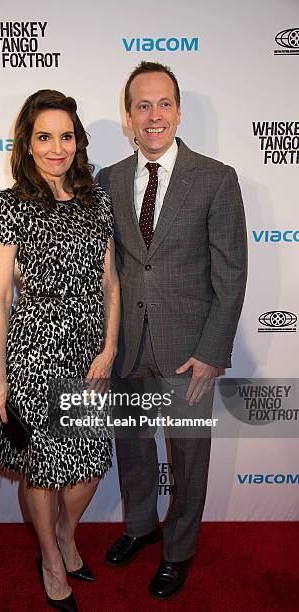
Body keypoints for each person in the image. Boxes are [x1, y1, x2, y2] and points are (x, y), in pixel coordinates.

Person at [96, 61, 247, 599]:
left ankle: (179, 550)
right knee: (133, 447)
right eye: (143, 105)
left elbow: (231, 276)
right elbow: (107, 267)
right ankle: (140, 527)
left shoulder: (216, 178)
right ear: (129, 116)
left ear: (178, 112)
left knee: (187, 457)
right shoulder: (108, 179)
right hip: (129, 348)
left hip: (190, 352)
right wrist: (105, 344)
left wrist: (212, 352)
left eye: (163, 104)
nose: (154, 115)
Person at [0, 89, 120, 612]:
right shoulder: (8, 206)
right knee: (42, 469)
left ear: (77, 141)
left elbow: (110, 283)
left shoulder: (97, 200)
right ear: (28, 143)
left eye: (66, 136)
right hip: (34, 351)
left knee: (86, 466)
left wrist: (108, 348)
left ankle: (65, 533)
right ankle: (51, 557)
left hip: (88, 353)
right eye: (45, 136)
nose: (57, 147)